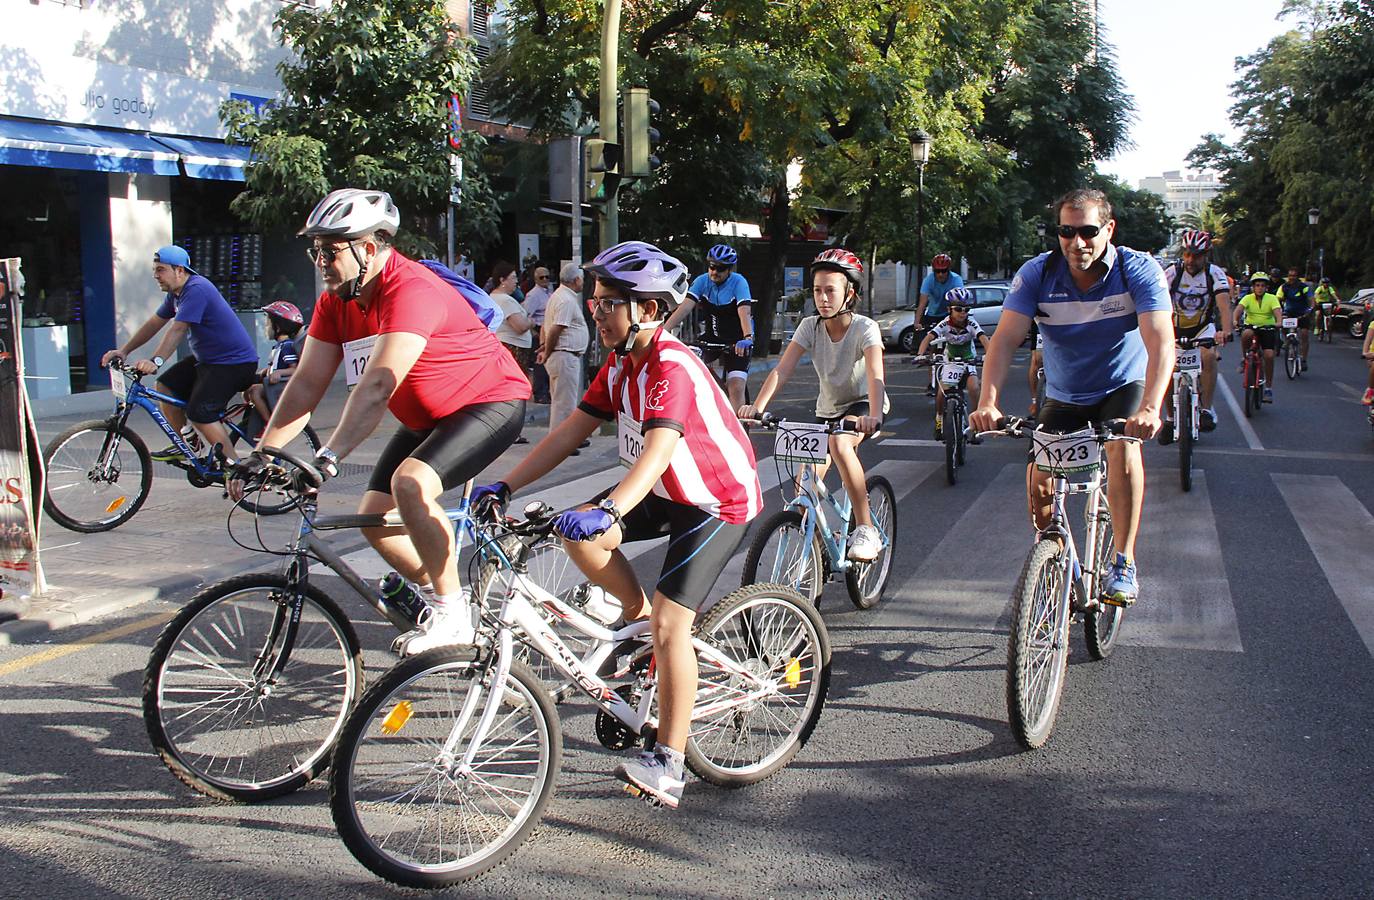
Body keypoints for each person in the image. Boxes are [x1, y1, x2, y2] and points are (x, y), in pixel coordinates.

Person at [472, 241, 762, 809]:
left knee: (674, 625)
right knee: (574, 534)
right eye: (597, 301)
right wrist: (506, 483)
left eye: (609, 304)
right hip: (662, 489)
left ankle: (670, 762)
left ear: (648, 311)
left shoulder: (670, 366)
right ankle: (636, 621)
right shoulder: (620, 363)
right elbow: (568, 433)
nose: (595, 312)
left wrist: (610, 508)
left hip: (714, 500)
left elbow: (659, 448)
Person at [231, 188, 530, 654]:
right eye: (316, 250)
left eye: (330, 250)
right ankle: (443, 598)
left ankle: (454, 615)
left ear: (368, 248)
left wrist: (328, 458)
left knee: (411, 484)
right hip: (425, 417)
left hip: (490, 402)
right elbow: (307, 382)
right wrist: (263, 452)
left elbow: (376, 387)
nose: (320, 261)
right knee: (374, 518)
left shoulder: (409, 289)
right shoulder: (337, 301)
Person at [970, 188, 1174, 606]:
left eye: (1087, 231)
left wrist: (1152, 407)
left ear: (1109, 229)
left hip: (1122, 385)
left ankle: (1123, 560)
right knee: (1040, 482)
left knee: (1122, 448)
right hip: (1065, 393)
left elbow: (1160, 341)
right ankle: (1054, 556)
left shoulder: (1137, 269)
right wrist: (987, 402)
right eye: (1066, 231)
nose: (1076, 242)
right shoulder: (1038, 273)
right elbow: (1005, 340)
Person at [737, 248, 887, 560]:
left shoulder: (865, 328)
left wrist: (873, 415)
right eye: (817, 291)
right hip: (828, 409)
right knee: (805, 485)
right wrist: (757, 408)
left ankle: (865, 528)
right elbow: (781, 370)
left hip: (861, 406)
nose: (822, 298)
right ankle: (820, 540)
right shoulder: (810, 326)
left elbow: (875, 375)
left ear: (849, 293)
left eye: (830, 291)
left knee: (841, 447)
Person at [101, 245, 260, 465]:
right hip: (209, 360)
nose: (155, 275)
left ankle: (236, 469)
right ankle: (189, 444)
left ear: (180, 270)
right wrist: (124, 350)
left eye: (160, 269)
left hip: (233, 363)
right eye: (155, 270)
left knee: (200, 412)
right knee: (165, 386)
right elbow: (154, 323)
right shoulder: (176, 294)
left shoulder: (197, 289)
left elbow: (178, 328)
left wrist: (155, 360)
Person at [1159, 230, 1233, 440]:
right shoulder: (1172, 272)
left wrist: (1225, 330)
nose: (1191, 260)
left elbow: (1224, 306)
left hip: (1202, 327)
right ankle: (1171, 418)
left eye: (1197, 255)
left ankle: (1207, 409)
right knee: (1165, 368)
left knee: (1208, 356)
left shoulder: (1214, 273)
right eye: (1187, 254)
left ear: (1206, 255)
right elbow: (1155, 301)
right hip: (1174, 327)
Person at [662, 244, 754, 409]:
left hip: (737, 341)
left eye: (720, 269)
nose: (714, 272)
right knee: (692, 374)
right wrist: (664, 331)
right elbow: (684, 307)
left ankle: (737, 429)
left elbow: (744, 313)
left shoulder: (739, 282)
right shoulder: (702, 281)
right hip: (711, 338)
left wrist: (748, 337)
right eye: (712, 267)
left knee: (736, 386)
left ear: (729, 270)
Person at [916, 287, 990, 442]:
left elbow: (983, 338)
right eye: (958, 309)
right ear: (949, 309)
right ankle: (939, 420)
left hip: (968, 359)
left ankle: (975, 426)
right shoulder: (944, 324)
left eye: (966, 309)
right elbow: (928, 338)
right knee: (941, 393)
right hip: (950, 361)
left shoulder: (971, 323)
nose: (963, 313)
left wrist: (990, 355)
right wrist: (920, 355)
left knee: (974, 388)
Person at [538, 263, 592, 455]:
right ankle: (560, 444)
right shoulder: (566, 300)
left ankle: (568, 440)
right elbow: (556, 329)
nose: (583, 283)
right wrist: (548, 350)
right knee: (564, 403)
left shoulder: (559, 296)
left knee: (564, 400)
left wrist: (545, 348)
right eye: (582, 279)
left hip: (564, 354)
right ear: (576, 280)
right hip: (564, 354)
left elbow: (548, 328)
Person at [245, 300, 305, 430]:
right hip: (272, 385)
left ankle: (269, 425)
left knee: (255, 391)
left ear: (278, 327)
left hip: (279, 388)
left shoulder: (287, 346)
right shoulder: (279, 346)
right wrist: (267, 371)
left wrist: (280, 373)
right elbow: (278, 364)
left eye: (268, 324)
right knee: (247, 391)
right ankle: (255, 419)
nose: (266, 327)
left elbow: (295, 369)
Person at [914, 253, 965, 396]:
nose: (941, 274)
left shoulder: (956, 280)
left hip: (949, 314)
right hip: (933, 314)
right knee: (933, 349)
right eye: (937, 271)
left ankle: (955, 374)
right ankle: (932, 382)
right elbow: (923, 303)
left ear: (949, 270)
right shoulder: (928, 281)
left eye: (944, 271)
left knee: (953, 344)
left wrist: (956, 320)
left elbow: (957, 302)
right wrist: (917, 322)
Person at [1237, 272, 1283, 403]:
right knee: (1246, 334)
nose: (1260, 288)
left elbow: (1277, 312)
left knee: (1268, 356)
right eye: (1257, 285)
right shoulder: (1248, 298)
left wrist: (1278, 322)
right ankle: (1244, 357)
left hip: (1268, 328)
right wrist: (1235, 321)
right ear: (1253, 287)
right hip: (1252, 326)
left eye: (1263, 285)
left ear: (1266, 287)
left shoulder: (1272, 298)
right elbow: (1238, 310)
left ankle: (1268, 388)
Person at [490, 261, 535, 380]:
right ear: (502, 280)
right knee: (517, 383)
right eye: (513, 277)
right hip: (514, 349)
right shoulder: (505, 300)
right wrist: (531, 321)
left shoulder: (494, 297)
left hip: (508, 346)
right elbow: (520, 326)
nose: (516, 281)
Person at [524, 265, 554, 403]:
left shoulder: (549, 291)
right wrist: (533, 331)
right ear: (536, 279)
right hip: (538, 331)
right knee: (539, 365)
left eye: (547, 276)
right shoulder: (534, 295)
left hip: (548, 331)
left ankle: (546, 392)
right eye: (542, 277)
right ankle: (540, 393)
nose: (545, 279)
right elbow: (526, 314)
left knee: (546, 363)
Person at [1278, 266, 1314, 371]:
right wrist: (1278, 310)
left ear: (1297, 277)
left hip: (1303, 313)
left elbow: (1311, 299)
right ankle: (1286, 341)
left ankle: (1303, 360)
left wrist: (1310, 309)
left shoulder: (1304, 287)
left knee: (1304, 335)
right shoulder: (1284, 287)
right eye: (1290, 276)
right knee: (1282, 325)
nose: (1291, 278)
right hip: (1289, 312)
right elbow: (1277, 299)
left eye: (1294, 276)